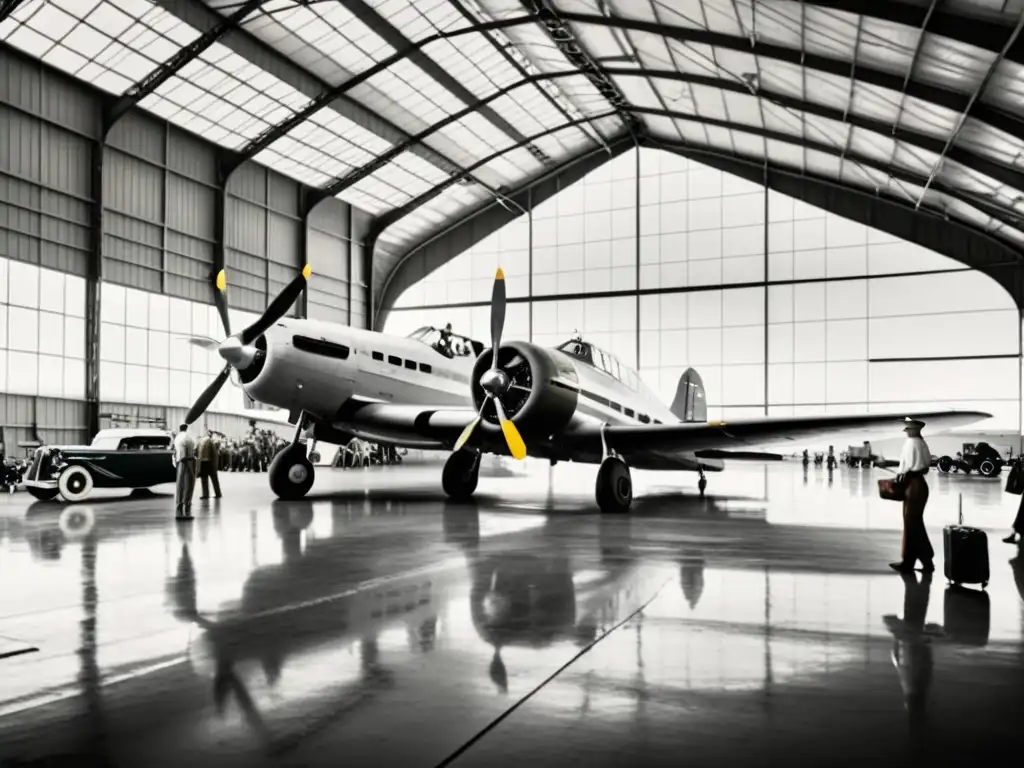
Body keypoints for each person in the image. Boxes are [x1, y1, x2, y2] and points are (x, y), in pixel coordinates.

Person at [892, 419, 934, 574]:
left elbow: (905, 466)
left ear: (914, 430)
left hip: (912, 485)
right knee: (914, 524)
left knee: (912, 524)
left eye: (908, 429)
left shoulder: (911, 443)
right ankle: (922, 560)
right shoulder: (922, 443)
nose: (907, 431)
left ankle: (912, 562)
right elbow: (925, 465)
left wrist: (899, 475)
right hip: (920, 484)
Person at [172, 423, 197, 521]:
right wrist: (191, 470)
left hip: (179, 462)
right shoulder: (188, 438)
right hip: (187, 461)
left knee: (180, 484)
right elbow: (186, 454)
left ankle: (179, 502)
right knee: (188, 484)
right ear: (186, 428)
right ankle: (186, 504)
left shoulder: (177, 438)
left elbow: (176, 452)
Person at [197, 430, 222, 500]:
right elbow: (215, 454)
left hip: (205, 462)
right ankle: (217, 493)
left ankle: (206, 494)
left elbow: (213, 453)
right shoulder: (209, 441)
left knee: (205, 479)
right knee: (213, 479)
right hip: (208, 462)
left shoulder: (204, 441)